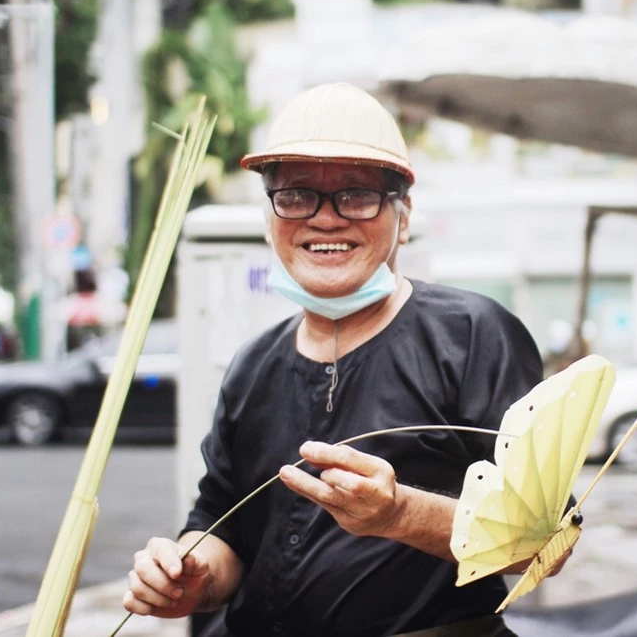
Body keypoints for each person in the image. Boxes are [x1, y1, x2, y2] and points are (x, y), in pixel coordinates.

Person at [123, 83, 556, 636]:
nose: (325, 219)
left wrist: (399, 515)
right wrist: (191, 574)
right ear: (270, 215)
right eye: (297, 194)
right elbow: (221, 524)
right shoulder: (253, 365)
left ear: (403, 215)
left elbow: (545, 540)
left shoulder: (473, 336)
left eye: (356, 194)